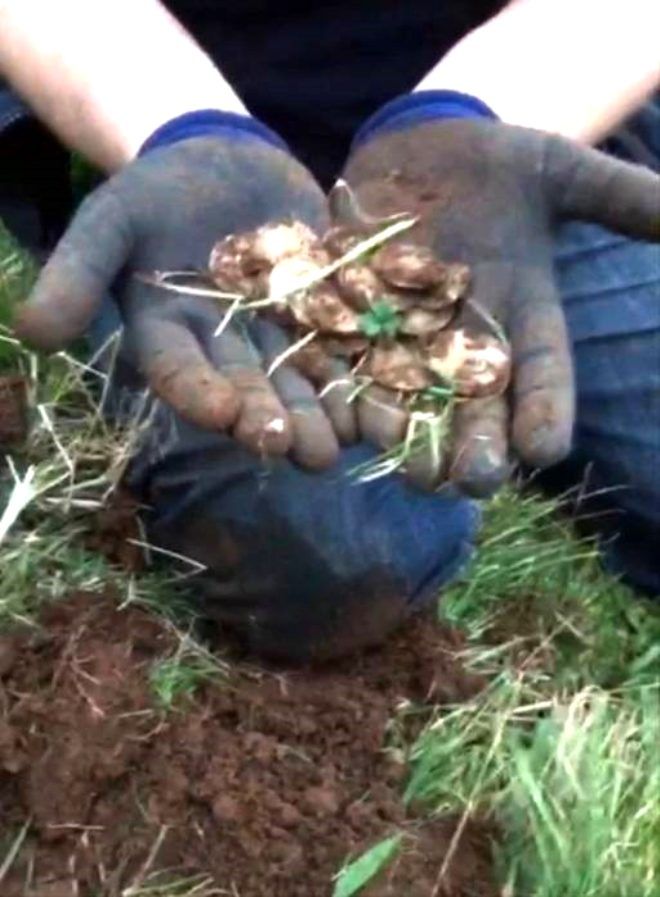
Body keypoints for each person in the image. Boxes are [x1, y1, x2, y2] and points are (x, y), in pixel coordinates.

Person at [0, 0, 658, 660]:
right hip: (165, 130)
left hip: (510, 121)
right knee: (337, 554)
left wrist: (464, 115)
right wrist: (185, 128)